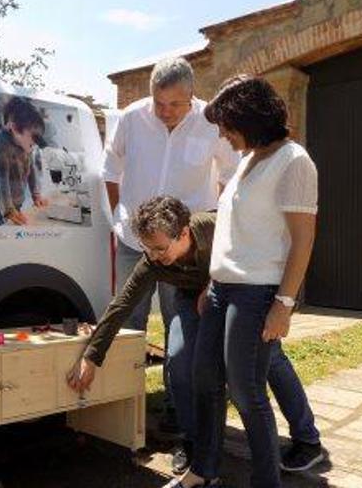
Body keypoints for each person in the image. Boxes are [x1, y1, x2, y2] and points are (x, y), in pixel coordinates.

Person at [67, 195, 323, 478]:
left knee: (269, 358)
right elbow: (122, 304)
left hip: (240, 289)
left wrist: (218, 283)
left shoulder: (218, 226)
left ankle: (307, 439)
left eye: (160, 249)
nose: (153, 257)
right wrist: (92, 356)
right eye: (147, 249)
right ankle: (195, 443)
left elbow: (260, 252)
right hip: (190, 298)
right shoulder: (153, 260)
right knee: (178, 363)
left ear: (185, 232)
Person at [176, 76, 322, 488]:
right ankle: (204, 470)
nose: (222, 133)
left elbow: (303, 239)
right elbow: (232, 228)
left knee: (246, 391)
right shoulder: (248, 158)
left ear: (251, 119)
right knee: (206, 379)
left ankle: (265, 480)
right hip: (222, 288)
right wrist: (211, 281)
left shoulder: (294, 161)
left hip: (258, 292)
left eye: (227, 125)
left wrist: (285, 304)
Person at [102, 56, 239, 458]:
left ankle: (180, 421)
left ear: (191, 96)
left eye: (174, 105)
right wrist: (119, 220)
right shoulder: (130, 118)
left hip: (185, 250)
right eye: (158, 103)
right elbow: (109, 171)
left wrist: (212, 234)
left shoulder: (211, 121)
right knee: (129, 325)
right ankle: (123, 414)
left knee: (182, 337)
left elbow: (230, 179)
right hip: (135, 242)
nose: (164, 112)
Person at [0, 96, 48, 225]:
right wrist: (8, 210)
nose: (35, 143)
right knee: (10, 229)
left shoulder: (25, 143)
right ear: (14, 128)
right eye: (34, 137)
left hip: (17, 199)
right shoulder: (2, 142)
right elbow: (1, 179)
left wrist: (36, 195)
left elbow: (31, 171)